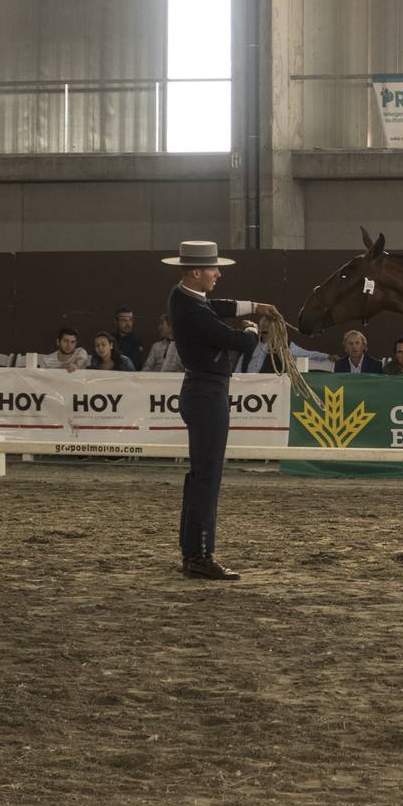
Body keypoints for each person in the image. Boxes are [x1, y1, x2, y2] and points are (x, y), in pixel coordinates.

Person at [164, 239, 281, 580]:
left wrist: (256, 306)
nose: (217, 274)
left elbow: (220, 305)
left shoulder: (183, 298)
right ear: (197, 272)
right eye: (213, 269)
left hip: (200, 390)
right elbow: (239, 341)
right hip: (208, 392)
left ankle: (192, 551)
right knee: (208, 477)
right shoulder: (193, 310)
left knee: (200, 475)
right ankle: (201, 556)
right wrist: (252, 327)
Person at [236, 322, 336, 373]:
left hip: (269, 388)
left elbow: (306, 353)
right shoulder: (250, 343)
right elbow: (240, 364)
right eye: (263, 325)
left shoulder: (284, 346)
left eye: (268, 325)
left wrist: (326, 356)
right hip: (246, 385)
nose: (265, 328)